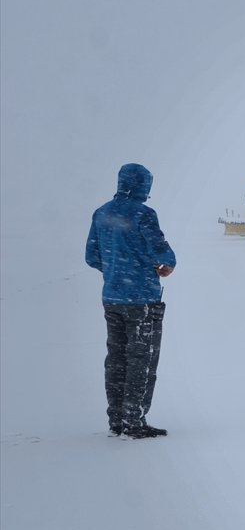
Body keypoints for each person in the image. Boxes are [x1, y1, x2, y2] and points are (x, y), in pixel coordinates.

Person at [85, 163, 176, 439]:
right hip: (142, 300)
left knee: (116, 358)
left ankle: (116, 420)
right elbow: (161, 251)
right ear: (144, 186)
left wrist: (115, 271)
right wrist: (165, 265)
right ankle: (134, 422)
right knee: (141, 359)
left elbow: (92, 257)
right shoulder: (144, 214)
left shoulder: (101, 213)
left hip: (112, 298)